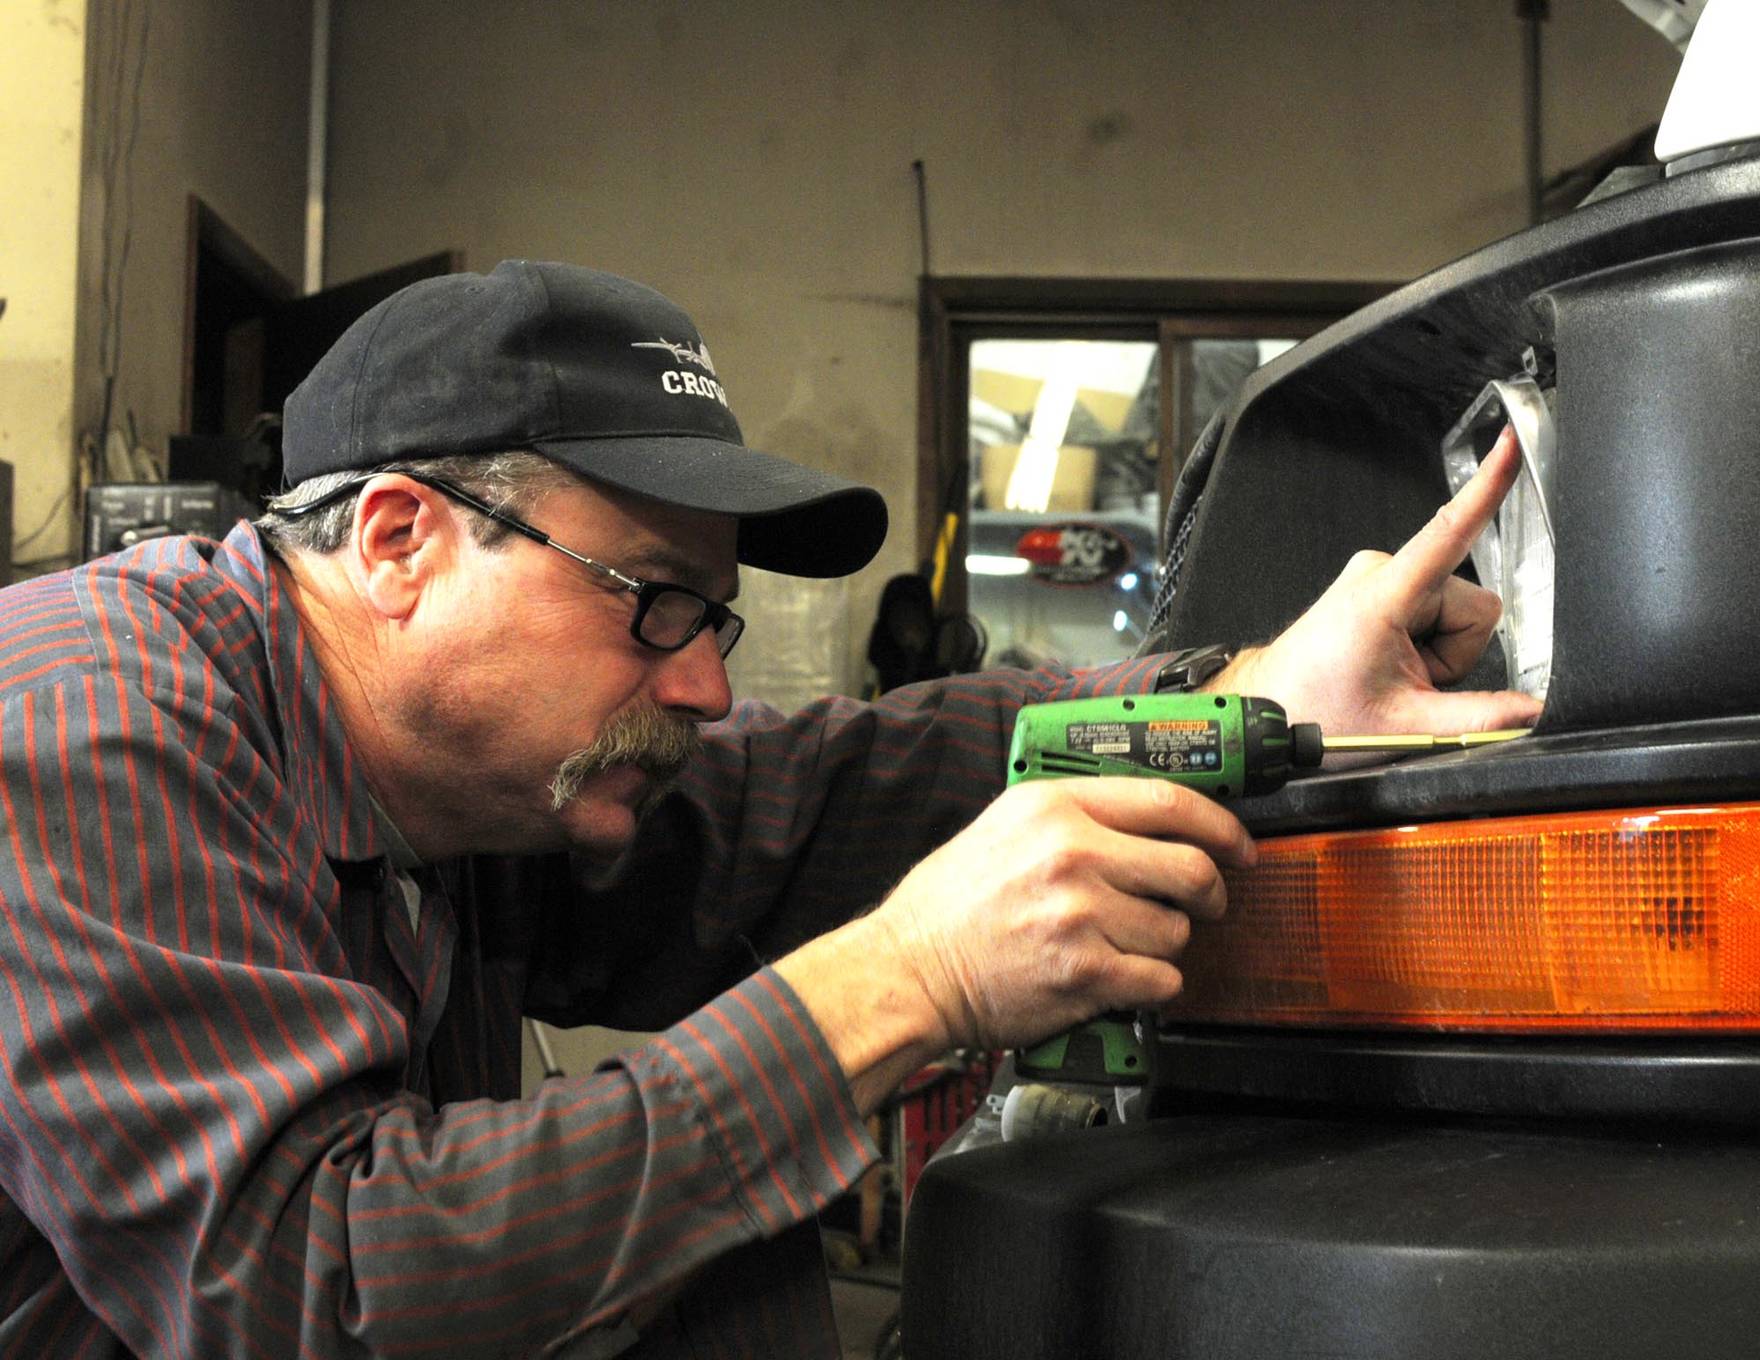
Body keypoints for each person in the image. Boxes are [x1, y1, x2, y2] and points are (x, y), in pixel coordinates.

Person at [0, 260, 1539, 1358]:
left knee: (714, 1257)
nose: (704, 690)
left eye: (710, 625)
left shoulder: (453, 774)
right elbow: (306, 1293)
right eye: (656, 605)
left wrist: (1253, 693)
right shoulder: (88, 724)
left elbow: (802, 802)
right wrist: (911, 977)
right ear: (402, 542)